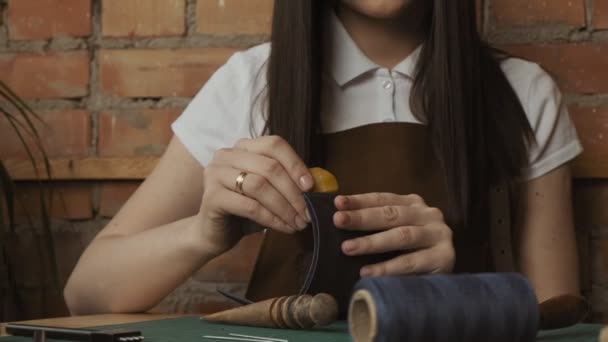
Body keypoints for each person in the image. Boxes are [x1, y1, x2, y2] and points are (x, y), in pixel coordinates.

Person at [64, 0, 582, 314]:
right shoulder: (251, 83)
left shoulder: (522, 92)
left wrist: (455, 289)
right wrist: (205, 231)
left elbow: (559, 319)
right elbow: (86, 294)